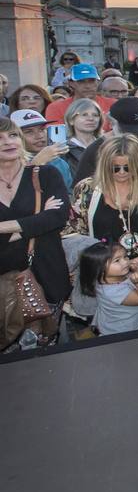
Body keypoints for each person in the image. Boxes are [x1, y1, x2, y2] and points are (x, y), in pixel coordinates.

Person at [66, 135, 138, 327]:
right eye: (115, 168)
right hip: (105, 279)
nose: (122, 172)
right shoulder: (87, 190)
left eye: (128, 167)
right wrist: (94, 257)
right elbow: (70, 231)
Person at [0, 116, 70, 350]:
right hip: (1, 281)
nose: (7, 141)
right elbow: (45, 219)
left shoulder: (45, 175)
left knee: (47, 350)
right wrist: (34, 222)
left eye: (12, 135)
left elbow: (57, 217)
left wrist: (6, 227)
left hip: (45, 270)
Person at [70, 97, 138, 184]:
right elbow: (80, 189)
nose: (137, 137)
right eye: (129, 131)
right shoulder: (95, 150)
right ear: (112, 123)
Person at [78, 240, 138, 335]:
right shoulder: (113, 292)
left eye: (125, 256)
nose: (125, 261)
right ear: (100, 269)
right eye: (117, 260)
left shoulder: (107, 278)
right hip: (121, 332)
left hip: (111, 324)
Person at [11, 108, 74, 189]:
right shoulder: (7, 162)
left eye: (42, 129)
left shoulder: (58, 162)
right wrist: (36, 163)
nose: (39, 136)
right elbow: (15, 195)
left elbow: (67, 195)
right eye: (29, 132)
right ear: (14, 136)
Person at [45, 64, 115, 126]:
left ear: (98, 82)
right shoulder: (56, 108)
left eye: (91, 81)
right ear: (71, 83)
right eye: (81, 82)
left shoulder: (113, 105)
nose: (87, 86)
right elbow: (56, 138)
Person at [63, 97, 105, 172]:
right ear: (71, 120)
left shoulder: (106, 145)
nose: (91, 118)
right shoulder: (64, 150)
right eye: (84, 115)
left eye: (95, 115)